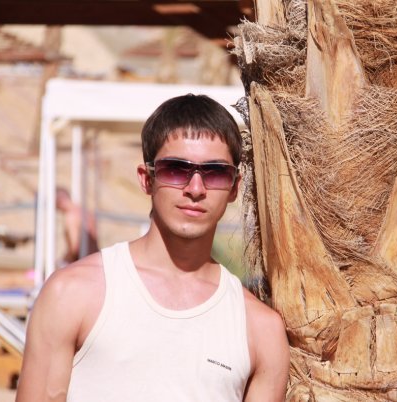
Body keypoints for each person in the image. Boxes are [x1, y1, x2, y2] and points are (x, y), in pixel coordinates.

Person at [16, 94, 290, 401]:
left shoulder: (259, 330)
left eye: (215, 173)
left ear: (234, 187)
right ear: (147, 179)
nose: (195, 189)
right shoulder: (72, 293)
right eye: (176, 169)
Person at [55, 186, 99, 266]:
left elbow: (75, 248)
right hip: (94, 259)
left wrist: (64, 260)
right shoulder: (87, 212)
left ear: (58, 201)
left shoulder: (71, 217)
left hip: (83, 262)